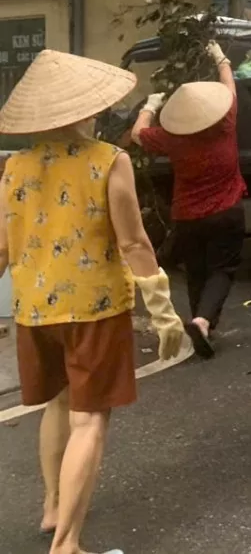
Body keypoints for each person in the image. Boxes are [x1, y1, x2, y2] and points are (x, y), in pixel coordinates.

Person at [0, 50, 185, 554]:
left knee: (57, 404)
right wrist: (164, 311)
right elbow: (133, 242)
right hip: (95, 308)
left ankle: (53, 506)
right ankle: (68, 544)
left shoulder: (14, 165)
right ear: (85, 110)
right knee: (90, 419)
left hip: (34, 309)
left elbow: (2, 246)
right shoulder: (109, 160)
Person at [130, 41, 246, 359]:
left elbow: (138, 134)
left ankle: (199, 324)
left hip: (188, 216)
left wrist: (150, 106)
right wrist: (218, 55)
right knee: (222, 269)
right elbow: (228, 85)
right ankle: (202, 321)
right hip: (227, 211)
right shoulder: (226, 124)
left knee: (195, 270)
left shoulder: (173, 138)